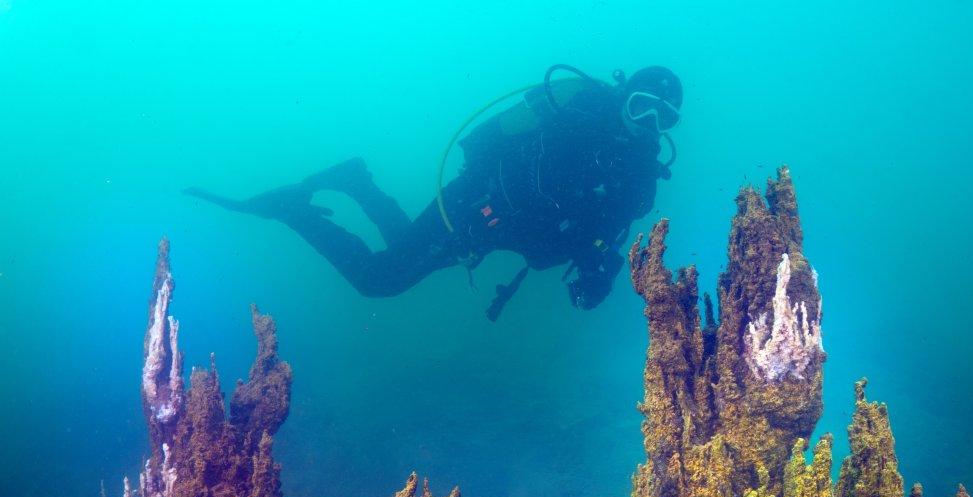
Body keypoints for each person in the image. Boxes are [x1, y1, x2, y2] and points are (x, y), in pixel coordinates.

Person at [185, 65, 682, 316]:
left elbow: (607, 234)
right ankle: (294, 211)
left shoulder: (640, 175)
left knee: (400, 253)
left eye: (664, 117)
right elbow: (483, 141)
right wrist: (484, 201)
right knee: (380, 279)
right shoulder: (576, 115)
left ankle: (359, 181)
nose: (649, 123)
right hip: (477, 207)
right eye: (642, 106)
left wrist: (601, 269)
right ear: (623, 97)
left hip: (514, 234)